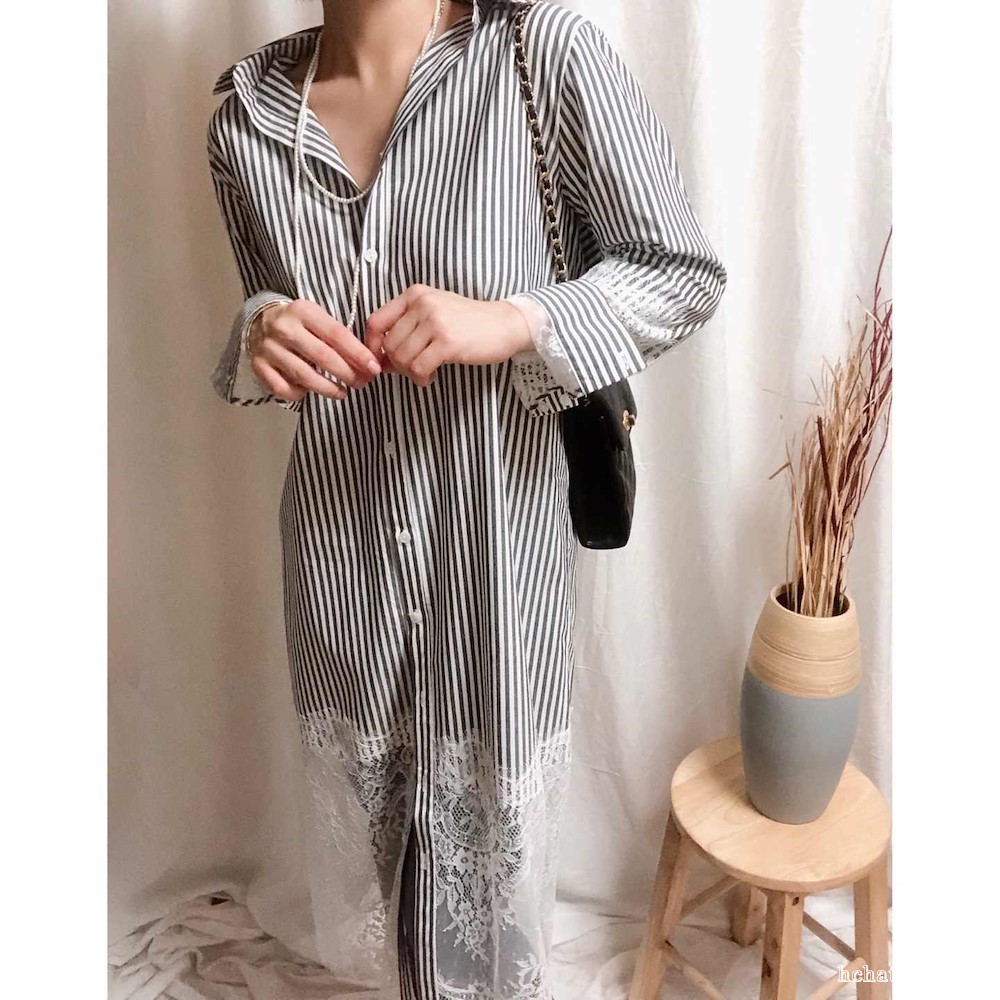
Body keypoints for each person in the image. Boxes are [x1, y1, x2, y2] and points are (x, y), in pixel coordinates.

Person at [206, 1, 726, 997]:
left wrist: (515, 319)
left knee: (487, 879)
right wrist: (260, 326)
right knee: (376, 854)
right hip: (341, 549)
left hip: (493, 547)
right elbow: (270, 305)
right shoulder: (245, 116)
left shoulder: (540, 54)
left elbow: (681, 273)